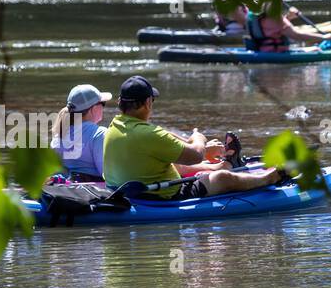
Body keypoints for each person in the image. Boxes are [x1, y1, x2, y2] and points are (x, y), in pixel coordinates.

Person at [102, 76, 279, 199]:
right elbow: (196, 155)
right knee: (221, 178)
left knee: (173, 161)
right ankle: (268, 178)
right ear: (148, 102)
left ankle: (223, 164)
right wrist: (199, 139)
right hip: (162, 196)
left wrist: (188, 141)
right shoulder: (149, 134)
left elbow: (157, 134)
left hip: (127, 190)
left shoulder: (115, 125)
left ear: (120, 103)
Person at [50, 83, 112, 181]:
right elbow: (108, 176)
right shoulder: (99, 134)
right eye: (102, 104)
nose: (103, 108)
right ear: (93, 108)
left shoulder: (59, 134)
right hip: (93, 193)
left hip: (65, 192)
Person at [241, 4, 331, 52]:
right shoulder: (276, 18)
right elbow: (297, 36)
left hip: (260, 51)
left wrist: (288, 17)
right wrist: (324, 37)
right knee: (316, 49)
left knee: (312, 48)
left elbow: (273, 29)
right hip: (277, 54)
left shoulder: (254, 16)